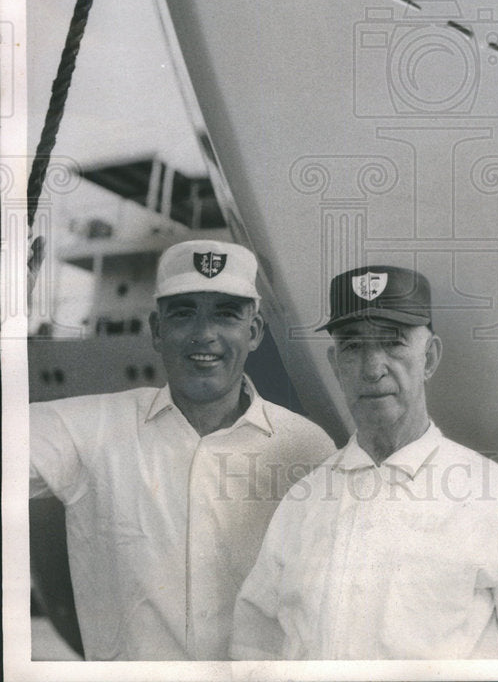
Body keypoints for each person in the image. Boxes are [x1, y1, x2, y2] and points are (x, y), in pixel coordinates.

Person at [231, 265, 498, 659]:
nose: (373, 369)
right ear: (335, 365)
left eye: (393, 342)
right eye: (353, 346)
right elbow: (254, 643)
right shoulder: (303, 503)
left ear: (429, 358)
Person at [29, 239, 335, 660]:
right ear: (157, 330)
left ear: (255, 332)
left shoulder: (308, 449)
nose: (204, 334)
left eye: (226, 314)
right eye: (184, 312)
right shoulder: (90, 431)